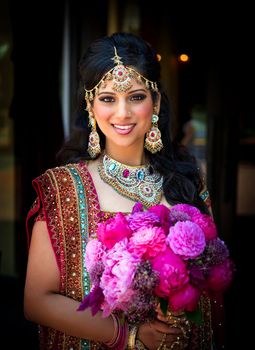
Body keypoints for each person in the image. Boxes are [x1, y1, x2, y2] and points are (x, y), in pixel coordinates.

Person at [24, 32, 224, 349]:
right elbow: (37, 300)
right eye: (107, 99)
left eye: (135, 97)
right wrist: (128, 335)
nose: (122, 114)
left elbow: (212, 293)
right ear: (90, 105)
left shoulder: (187, 182)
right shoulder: (63, 189)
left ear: (155, 101)